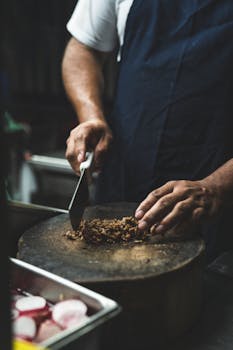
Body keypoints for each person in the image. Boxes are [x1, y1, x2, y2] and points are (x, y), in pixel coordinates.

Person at [62, 0, 233, 261]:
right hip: (123, 176)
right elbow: (83, 48)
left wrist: (218, 186)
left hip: (217, 204)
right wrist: (91, 116)